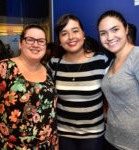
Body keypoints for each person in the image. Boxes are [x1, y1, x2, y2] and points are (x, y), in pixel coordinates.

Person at [0, 24, 58, 150]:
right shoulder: (4, 69)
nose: (36, 45)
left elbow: (50, 115)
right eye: (30, 40)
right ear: (20, 43)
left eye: (41, 41)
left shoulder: (48, 71)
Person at [47, 14, 110, 150]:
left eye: (75, 31)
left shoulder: (100, 61)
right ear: (59, 39)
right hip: (63, 135)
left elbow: (113, 93)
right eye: (64, 33)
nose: (71, 37)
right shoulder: (53, 64)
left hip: (93, 135)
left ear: (83, 34)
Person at [97, 10, 139, 150]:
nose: (109, 37)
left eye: (115, 29)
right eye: (103, 33)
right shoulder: (112, 61)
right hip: (111, 138)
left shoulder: (136, 56)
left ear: (126, 29)